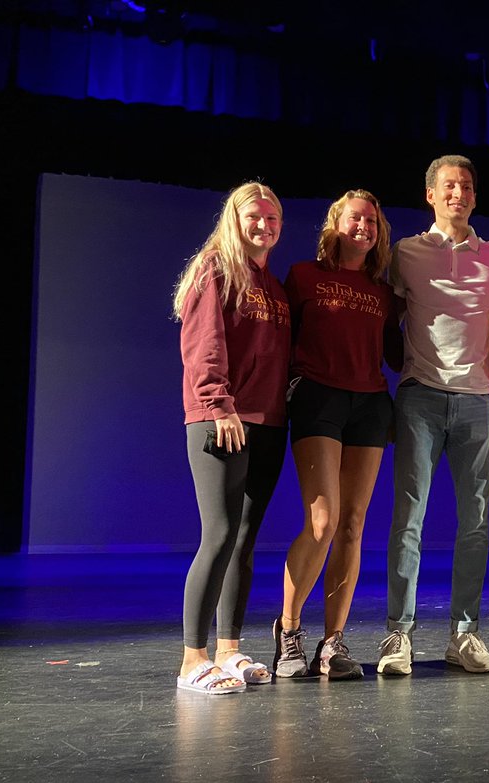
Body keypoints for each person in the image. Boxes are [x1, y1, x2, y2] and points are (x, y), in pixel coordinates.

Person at [377, 154, 489, 676]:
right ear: (430, 195)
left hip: (479, 401)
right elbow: (386, 322)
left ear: (475, 197)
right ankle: (398, 634)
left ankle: (465, 633)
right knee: (408, 520)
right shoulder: (405, 254)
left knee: (475, 521)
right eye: (448, 186)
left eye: (466, 186)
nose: (458, 193)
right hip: (421, 398)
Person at [272, 190, 399, 681]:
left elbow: (396, 354)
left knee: (352, 524)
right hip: (317, 397)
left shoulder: (383, 292)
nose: (363, 226)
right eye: (355, 218)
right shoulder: (305, 277)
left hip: (369, 404)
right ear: (336, 225)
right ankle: (289, 632)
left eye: (372, 220)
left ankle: (333, 641)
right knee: (321, 522)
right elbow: (280, 342)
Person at [175, 182, 290, 695]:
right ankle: (192, 660)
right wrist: (218, 404)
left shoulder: (273, 284)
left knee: (244, 542)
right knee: (219, 535)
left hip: (266, 423)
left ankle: (229, 650)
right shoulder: (215, 268)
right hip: (221, 419)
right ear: (233, 219)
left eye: (272, 218)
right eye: (254, 217)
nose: (264, 225)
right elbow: (205, 344)